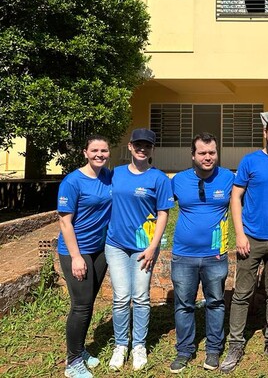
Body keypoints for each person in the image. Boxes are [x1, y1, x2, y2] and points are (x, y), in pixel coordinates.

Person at [219, 114, 268, 373]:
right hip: (251, 239)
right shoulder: (250, 161)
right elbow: (236, 197)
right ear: (266, 133)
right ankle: (235, 344)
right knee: (242, 294)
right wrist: (239, 235)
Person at [105, 128, 174, 371]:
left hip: (144, 247)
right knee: (122, 296)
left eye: (147, 145)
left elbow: (163, 213)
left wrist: (153, 247)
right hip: (115, 245)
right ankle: (121, 345)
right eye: (138, 145)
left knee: (141, 297)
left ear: (152, 149)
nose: (142, 149)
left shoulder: (159, 178)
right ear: (130, 147)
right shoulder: (116, 174)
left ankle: (139, 346)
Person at [169, 133, 234, 373]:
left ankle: (214, 350)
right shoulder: (178, 180)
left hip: (215, 255)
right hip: (183, 255)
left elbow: (245, 207)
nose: (208, 157)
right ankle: (184, 350)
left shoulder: (229, 178)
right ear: (193, 155)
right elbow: (159, 209)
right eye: (203, 153)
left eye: (212, 152)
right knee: (184, 304)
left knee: (215, 302)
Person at [57, 135, 113, 378]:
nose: (99, 154)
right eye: (94, 150)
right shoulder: (73, 181)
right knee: (81, 305)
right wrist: (76, 257)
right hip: (76, 251)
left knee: (88, 302)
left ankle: (79, 349)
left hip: (100, 250)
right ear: (85, 152)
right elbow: (64, 222)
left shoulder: (109, 176)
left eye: (104, 150)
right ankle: (73, 362)